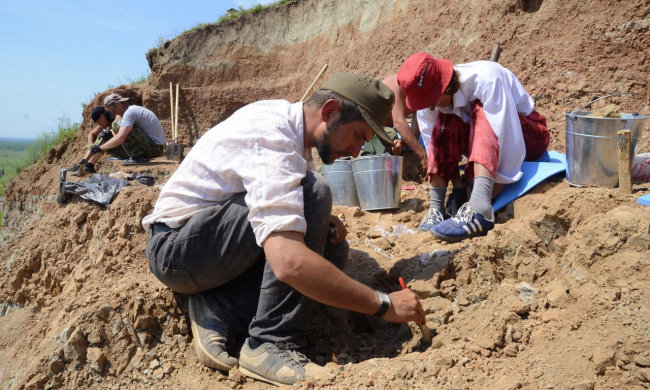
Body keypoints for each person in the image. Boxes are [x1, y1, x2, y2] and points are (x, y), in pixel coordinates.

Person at [142, 73, 425, 386]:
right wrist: (383, 304)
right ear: (330, 113)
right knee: (314, 194)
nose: (358, 151)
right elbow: (289, 262)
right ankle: (270, 343)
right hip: (176, 252)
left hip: (206, 248)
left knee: (331, 247)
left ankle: (221, 306)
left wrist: (320, 222)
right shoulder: (272, 136)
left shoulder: (293, 133)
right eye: (358, 135)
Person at [397, 52, 550, 242]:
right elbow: (435, 148)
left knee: (480, 110)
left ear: (446, 87)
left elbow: (511, 143)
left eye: (434, 101)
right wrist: (458, 191)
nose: (431, 108)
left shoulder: (487, 80)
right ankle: (436, 209)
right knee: (444, 120)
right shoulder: (430, 104)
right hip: (483, 146)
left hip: (529, 135)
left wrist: (479, 200)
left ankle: (479, 211)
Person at [85, 93, 166, 167]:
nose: (113, 114)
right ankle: (88, 165)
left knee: (116, 124)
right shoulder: (132, 110)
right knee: (110, 135)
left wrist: (100, 148)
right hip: (153, 147)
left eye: (113, 111)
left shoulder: (129, 113)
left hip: (155, 148)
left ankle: (139, 157)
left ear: (118, 104)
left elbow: (120, 138)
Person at [68, 107, 119, 175]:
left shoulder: (116, 118)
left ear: (102, 116)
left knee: (104, 135)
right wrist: (92, 145)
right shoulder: (105, 121)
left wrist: (110, 132)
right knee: (102, 136)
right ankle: (82, 163)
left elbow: (119, 136)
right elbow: (91, 134)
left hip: (123, 146)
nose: (99, 124)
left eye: (98, 122)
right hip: (114, 145)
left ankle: (89, 166)